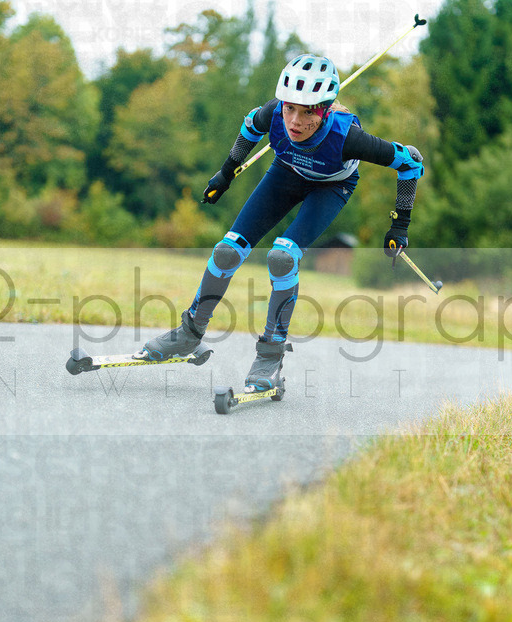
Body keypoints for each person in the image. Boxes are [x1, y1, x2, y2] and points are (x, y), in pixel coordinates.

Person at [141, 53, 424, 393]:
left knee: (283, 256)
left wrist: (400, 225)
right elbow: (250, 127)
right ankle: (189, 333)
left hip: (331, 186)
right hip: (286, 173)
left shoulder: (348, 137)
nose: (294, 121)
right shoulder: (273, 112)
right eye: (290, 108)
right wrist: (226, 173)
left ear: (325, 110)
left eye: (308, 112)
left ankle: (270, 357)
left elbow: (411, 162)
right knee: (226, 251)